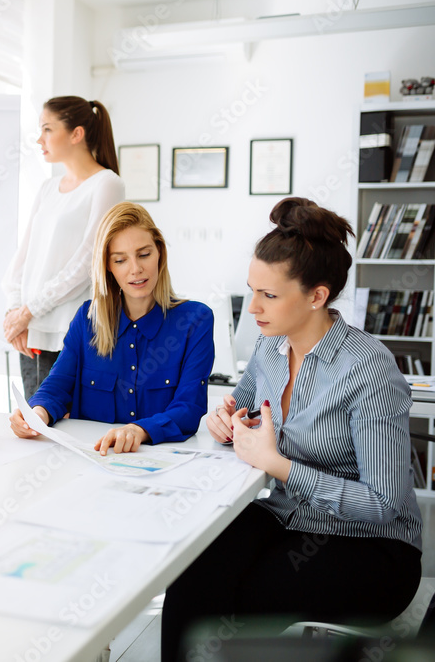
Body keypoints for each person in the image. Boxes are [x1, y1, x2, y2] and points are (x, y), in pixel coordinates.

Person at [161, 198, 423, 661]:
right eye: (252, 291)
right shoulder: (269, 348)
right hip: (284, 516)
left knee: (241, 606)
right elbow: (237, 407)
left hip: (371, 545)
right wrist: (221, 421)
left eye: (270, 295)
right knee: (188, 578)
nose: (254, 307)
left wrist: (277, 464)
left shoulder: (368, 369)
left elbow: (382, 504)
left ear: (317, 296)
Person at [9, 202, 214, 455]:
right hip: (93, 462)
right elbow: (57, 386)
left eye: (144, 254)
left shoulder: (195, 321)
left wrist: (138, 430)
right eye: (120, 260)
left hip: (163, 466)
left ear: (159, 252)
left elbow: (189, 406)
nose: (135, 269)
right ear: (107, 265)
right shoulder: (87, 318)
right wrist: (36, 413)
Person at [2, 96, 126, 400]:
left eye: (47, 129)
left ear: (76, 133)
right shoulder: (48, 188)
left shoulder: (107, 184)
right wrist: (15, 312)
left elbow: (87, 262)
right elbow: (24, 256)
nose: (39, 139)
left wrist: (29, 311)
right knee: (33, 424)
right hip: (31, 329)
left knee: (64, 427)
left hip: (66, 330)